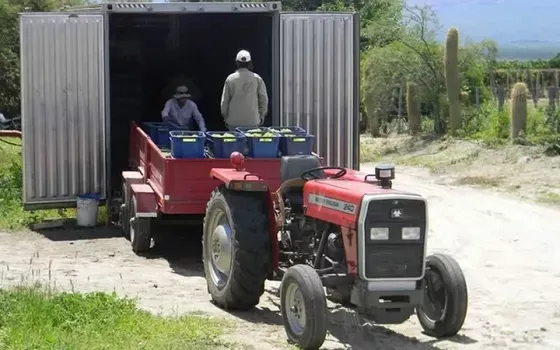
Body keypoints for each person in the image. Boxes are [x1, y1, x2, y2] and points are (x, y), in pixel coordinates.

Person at [220, 50, 269, 131]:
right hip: (252, 121)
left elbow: (224, 101)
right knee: (251, 143)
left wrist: (226, 117)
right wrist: (261, 115)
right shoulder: (257, 78)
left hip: (233, 121)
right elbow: (263, 99)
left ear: (237, 63)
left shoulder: (230, 79)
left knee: (234, 143)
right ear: (250, 63)